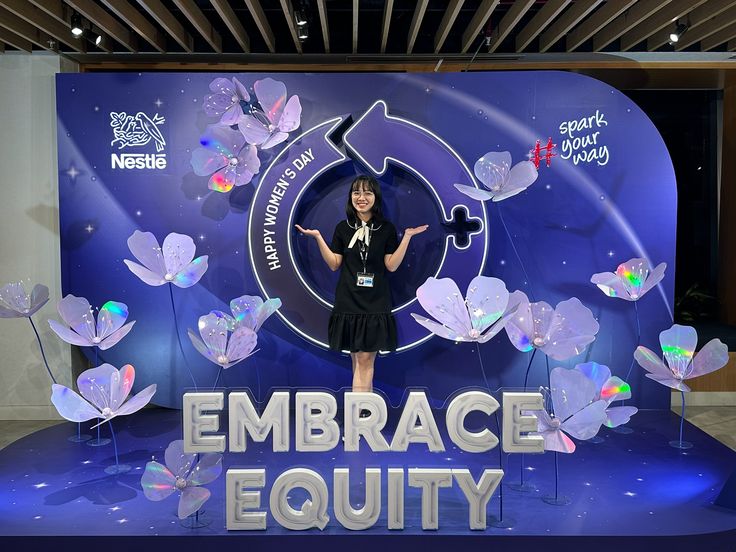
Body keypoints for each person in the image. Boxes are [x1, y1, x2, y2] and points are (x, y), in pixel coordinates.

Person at [295, 175, 428, 399]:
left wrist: (406, 238)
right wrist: (318, 238)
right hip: (348, 300)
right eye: (356, 193)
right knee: (357, 358)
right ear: (351, 198)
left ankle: (361, 412)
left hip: (375, 302)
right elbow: (334, 264)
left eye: (367, 193)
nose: (361, 198)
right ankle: (361, 411)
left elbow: (391, 266)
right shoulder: (342, 228)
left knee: (366, 359)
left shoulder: (386, 229)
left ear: (375, 197)